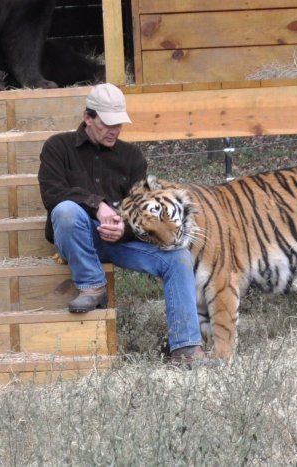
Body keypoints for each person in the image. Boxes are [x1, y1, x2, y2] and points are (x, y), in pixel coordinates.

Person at [38, 83, 205, 363]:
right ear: (87, 117)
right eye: (107, 123)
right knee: (66, 211)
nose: (114, 130)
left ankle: (186, 347)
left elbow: (141, 209)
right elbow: (51, 195)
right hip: (77, 238)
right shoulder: (58, 147)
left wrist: (124, 229)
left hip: (120, 241)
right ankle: (92, 285)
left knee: (178, 257)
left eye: (119, 123)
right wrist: (97, 205)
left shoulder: (132, 157)